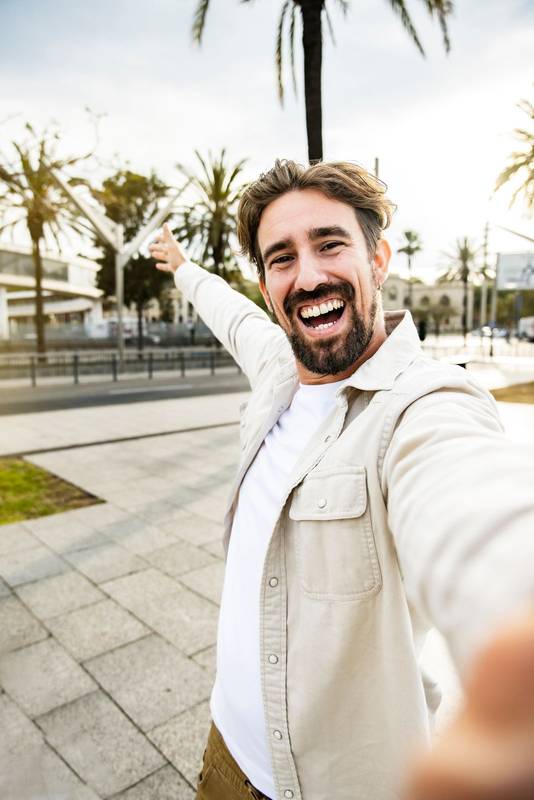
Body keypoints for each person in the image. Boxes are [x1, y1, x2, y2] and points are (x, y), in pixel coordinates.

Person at [149, 160, 534, 800]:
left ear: (378, 258)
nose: (308, 276)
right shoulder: (277, 364)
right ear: (268, 284)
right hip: (228, 753)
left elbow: (474, 509)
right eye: (280, 258)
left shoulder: (425, 405)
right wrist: (183, 267)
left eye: (329, 244)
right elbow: (229, 312)